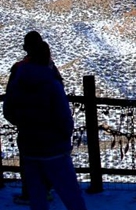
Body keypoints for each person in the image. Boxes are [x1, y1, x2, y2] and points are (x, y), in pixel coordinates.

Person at [4, 40, 87, 210]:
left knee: (37, 199)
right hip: (54, 149)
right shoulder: (51, 84)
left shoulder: (18, 81)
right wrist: (63, 137)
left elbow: (9, 111)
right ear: (46, 57)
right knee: (71, 196)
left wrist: (25, 126)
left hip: (29, 148)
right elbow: (64, 118)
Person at [6, 31, 62, 205]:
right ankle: (47, 190)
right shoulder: (50, 68)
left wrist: (16, 119)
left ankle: (30, 194)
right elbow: (60, 94)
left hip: (27, 125)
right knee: (49, 159)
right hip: (50, 126)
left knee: (29, 162)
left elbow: (10, 98)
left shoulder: (19, 69)